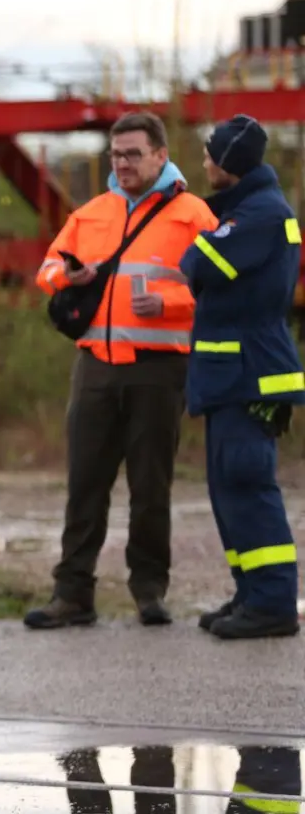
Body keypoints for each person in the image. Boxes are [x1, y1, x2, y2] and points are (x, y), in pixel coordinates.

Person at [27, 112, 219, 630]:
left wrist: (172, 305)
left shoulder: (193, 215)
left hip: (159, 370)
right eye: (116, 155)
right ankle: (72, 594)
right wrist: (63, 276)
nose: (123, 163)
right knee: (84, 484)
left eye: (133, 153)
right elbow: (45, 270)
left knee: (150, 487)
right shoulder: (91, 214)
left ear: (160, 155)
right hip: (94, 369)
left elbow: (221, 293)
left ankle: (149, 591)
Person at [182, 114, 304, 640]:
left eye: (211, 155)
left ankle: (274, 601)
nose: (205, 162)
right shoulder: (248, 208)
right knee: (227, 487)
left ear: (230, 163)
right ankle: (251, 592)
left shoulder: (260, 215)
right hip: (230, 374)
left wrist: (205, 236)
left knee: (247, 485)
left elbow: (200, 264)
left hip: (248, 373)